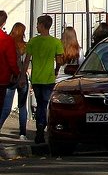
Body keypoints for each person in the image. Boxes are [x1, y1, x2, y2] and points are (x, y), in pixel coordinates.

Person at [25, 15, 63, 144]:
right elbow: (59, 60)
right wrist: (56, 70)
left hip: (36, 78)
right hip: (48, 78)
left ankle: (40, 128)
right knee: (45, 104)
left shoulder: (33, 41)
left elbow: (27, 59)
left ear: (42, 25)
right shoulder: (56, 42)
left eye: (37, 24)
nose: (36, 26)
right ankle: (43, 127)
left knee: (40, 104)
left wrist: (22, 74)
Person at [8, 22, 29, 139]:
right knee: (22, 106)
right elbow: (26, 63)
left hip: (11, 77)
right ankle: (22, 133)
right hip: (22, 77)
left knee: (6, 107)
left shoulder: (9, 43)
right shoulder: (25, 46)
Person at [0, 10, 18, 135]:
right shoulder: (7, 40)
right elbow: (12, 61)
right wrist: (16, 73)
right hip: (2, 78)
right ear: (4, 22)